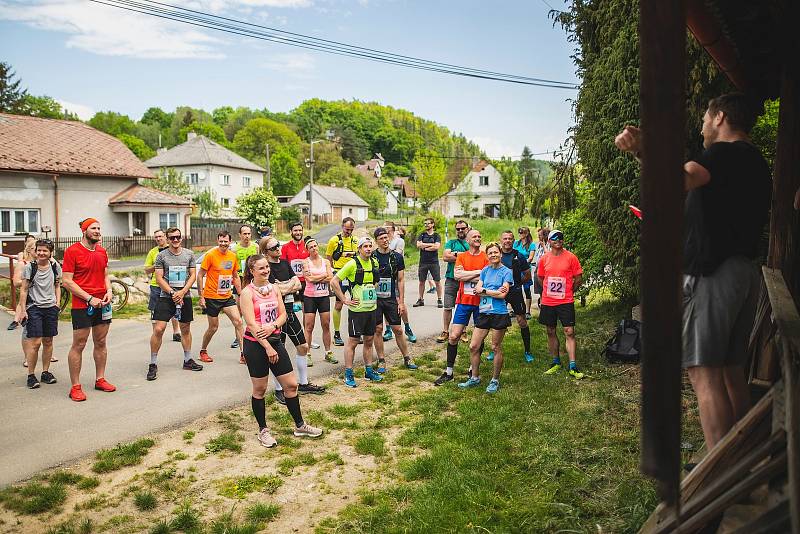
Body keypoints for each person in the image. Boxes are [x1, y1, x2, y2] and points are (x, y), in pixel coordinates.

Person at [615, 93, 772, 448]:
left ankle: (719, 473)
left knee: (703, 375)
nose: (702, 127)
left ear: (719, 117)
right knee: (732, 373)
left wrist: (644, 150)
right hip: (744, 275)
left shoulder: (722, 154)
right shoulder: (757, 163)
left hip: (712, 276)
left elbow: (680, 179)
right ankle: (743, 459)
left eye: (704, 119)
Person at [239, 254, 323, 448]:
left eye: (267, 267)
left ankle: (300, 426)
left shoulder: (274, 288)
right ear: (252, 271)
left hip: (275, 341)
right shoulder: (247, 293)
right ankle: (263, 430)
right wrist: (267, 347)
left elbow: (284, 313)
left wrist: (273, 326)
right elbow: (251, 325)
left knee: (291, 385)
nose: (266, 270)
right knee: (259, 390)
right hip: (256, 345)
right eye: (261, 268)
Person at [261, 236, 325, 403]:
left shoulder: (284, 263)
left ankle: (303, 383)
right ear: (266, 251)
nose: (277, 248)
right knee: (277, 354)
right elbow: (275, 291)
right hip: (276, 315)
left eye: (278, 245)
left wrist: (284, 287)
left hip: (290, 312)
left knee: (303, 346)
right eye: (274, 247)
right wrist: (286, 287)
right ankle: (279, 389)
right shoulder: (267, 268)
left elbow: (297, 284)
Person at [61, 218, 116, 402]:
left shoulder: (101, 251)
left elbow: (105, 275)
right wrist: (89, 298)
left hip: (103, 304)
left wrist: (108, 291)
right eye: (93, 228)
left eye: (99, 228)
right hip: (82, 305)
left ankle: (100, 379)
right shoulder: (72, 251)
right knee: (79, 344)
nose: (97, 231)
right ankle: (75, 387)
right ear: (84, 231)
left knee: (101, 342)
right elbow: (67, 281)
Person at [434, 229, 488, 386]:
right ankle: (449, 372)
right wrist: (478, 273)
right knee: (453, 336)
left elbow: (486, 277)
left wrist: (468, 274)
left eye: (479, 236)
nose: (477, 238)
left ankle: (473, 368)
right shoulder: (462, 256)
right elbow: (457, 276)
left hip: (481, 303)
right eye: (474, 236)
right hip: (464, 302)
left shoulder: (485, 257)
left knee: (478, 339)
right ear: (468, 240)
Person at [330, 236, 384, 388]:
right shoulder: (352, 263)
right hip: (357, 311)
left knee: (368, 340)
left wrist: (372, 288)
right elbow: (334, 281)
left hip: (371, 309)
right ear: (359, 249)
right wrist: (344, 299)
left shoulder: (374, 262)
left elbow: (377, 280)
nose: (368, 248)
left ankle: (368, 371)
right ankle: (348, 374)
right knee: (353, 342)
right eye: (365, 246)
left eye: (370, 246)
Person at [459, 242, 513, 393]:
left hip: (499, 313)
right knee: (474, 346)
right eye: (490, 253)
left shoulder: (506, 272)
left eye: (496, 252)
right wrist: (492, 291)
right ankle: (475, 378)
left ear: (500, 254)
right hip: (484, 312)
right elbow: (477, 290)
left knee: (495, 347)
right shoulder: (485, 271)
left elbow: (503, 294)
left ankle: (495, 380)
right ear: (487, 255)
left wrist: (485, 290)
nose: (493, 255)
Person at [148, 228, 199, 380]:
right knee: (159, 329)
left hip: (185, 296)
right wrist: (172, 293)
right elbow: (159, 278)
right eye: (172, 238)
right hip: (166, 296)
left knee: (185, 328)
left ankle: (188, 359)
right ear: (168, 239)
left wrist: (182, 292)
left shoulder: (189, 254)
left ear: (181, 238)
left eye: (178, 237)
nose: (175, 240)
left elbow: (193, 275)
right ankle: (153, 363)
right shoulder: (161, 256)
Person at [536, 230, 584, 379]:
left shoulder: (571, 257)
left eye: (561, 237)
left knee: (569, 331)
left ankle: (573, 365)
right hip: (549, 301)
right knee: (550, 330)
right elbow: (540, 277)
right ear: (549, 241)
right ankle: (555, 362)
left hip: (566, 301)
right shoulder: (544, 259)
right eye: (554, 238)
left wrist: (570, 290)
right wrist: (547, 292)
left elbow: (578, 278)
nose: (558, 240)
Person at [16, 239, 61, 389]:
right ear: (35, 251)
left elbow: (57, 285)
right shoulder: (30, 267)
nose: (41, 253)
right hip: (34, 308)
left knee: (48, 341)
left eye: (45, 251)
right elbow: (24, 289)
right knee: (35, 343)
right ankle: (31, 375)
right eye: (39, 250)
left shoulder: (55, 266)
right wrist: (23, 310)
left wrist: (57, 304)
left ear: (50, 253)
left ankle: (46, 372)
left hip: (50, 308)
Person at [371, 227, 417, 373]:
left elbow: (401, 280)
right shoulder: (372, 257)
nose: (385, 240)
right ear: (376, 241)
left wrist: (401, 302)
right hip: (376, 299)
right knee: (378, 329)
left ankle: (407, 357)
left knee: (397, 329)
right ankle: (381, 360)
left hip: (391, 298)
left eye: (386, 237)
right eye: (381, 238)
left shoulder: (396, 257)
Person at [197, 230, 244, 364]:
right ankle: (203, 351)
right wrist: (201, 296)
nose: (223, 244)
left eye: (226, 241)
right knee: (213, 327)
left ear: (230, 242)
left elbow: (235, 276)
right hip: (211, 296)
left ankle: (243, 354)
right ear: (218, 241)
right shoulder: (210, 255)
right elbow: (200, 275)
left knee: (239, 322)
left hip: (227, 296)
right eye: (221, 241)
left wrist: (240, 293)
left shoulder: (232, 256)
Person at [488, 230, 534, 364]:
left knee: (522, 321)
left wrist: (516, 284)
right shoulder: (496, 255)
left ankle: (527, 351)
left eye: (510, 238)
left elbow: (527, 275)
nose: (507, 241)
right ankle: (494, 349)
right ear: (500, 240)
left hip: (515, 293)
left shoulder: (518, 256)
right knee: (497, 321)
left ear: (514, 241)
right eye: (505, 238)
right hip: (499, 293)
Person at [302, 237, 338, 365]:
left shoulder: (325, 262)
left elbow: (331, 277)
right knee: (309, 326)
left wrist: (317, 277)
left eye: (315, 246)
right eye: (311, 247)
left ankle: (328, 352)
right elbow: (309, 279)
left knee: (326, 325)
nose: (314, 248)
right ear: (307, 250)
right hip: (310, 297)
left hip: (323, 296)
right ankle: (307, 354)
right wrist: (323, 276)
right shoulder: (305, 262)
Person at [326, 217, 358, 347]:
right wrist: (333, 273)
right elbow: (328, 258)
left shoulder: (355, 240)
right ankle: (337, 334)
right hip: (339, 273)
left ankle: (357, 331)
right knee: (339, 305)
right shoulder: (334, 240)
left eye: (351, 229)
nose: (349, 232)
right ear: (342, 227)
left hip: (353, 274)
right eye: (347, 229)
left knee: (356, 302)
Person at [144, 229, 181, 343]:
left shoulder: (173, 249)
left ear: (165, 237)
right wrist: (157, 264)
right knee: (155, 309)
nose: (159, 239)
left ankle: (176, 332)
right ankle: (156, 333)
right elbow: (147, 270)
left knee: (174, 308)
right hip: (156, 285)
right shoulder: (153, 252)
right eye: (156, 237)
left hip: (171, 283)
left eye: (160, 236)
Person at [383, 221, 417, 344]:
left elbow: (397, 254)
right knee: (385, 301)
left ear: (391, 228)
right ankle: (388, 330)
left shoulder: (399, 241)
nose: (384, 229)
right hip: (385, 276)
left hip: (396, 274)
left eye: (385, 227)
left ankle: (407, 327)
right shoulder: (382, 241)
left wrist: (385, 248)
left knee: (399, 302)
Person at [437, 220, 470, 343]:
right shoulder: (451, 242)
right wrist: (463, 255)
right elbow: (445, 257)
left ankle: (463, 331)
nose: (460, 231)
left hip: (465, 280)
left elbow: (473, 256)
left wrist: (455, 255)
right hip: (451, 279)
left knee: (464, 306)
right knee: (447, 306)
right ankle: (445, 331)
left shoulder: (471, 243)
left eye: (463, 228)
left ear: (467, 229)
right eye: (458, 229)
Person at [280, 222, 311, 351]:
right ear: (291, 232)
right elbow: (282, 264)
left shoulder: (307, 246)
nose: (298, 233)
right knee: (288, 311)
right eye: (295, 230)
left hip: (305, 282)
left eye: (300, 230)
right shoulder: (286, 247)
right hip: (291, 284)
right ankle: (283, 339)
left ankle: (304, 338)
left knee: (306, 312)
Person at [229, 224, 259, 350]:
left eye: (249, 234)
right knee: (239, 310)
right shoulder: (234, 250)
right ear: (240, 235)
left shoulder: (255, 247)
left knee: (255, 307)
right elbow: (232, 268)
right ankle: (238, 337)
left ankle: (255, 333)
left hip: (253, 279)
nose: (247, 236)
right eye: (244, 234)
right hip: (240, 280)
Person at [413, 217, 443, 308]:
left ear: (433, 224)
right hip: (423, 262)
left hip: (434, 262)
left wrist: (424, 247)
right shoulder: (421, 235)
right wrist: (430, 245)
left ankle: (439, 299)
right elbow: (418, 245)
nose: (426, 225)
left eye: (428, 223)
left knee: (437, 281)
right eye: (425, 223)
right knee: (421, 281)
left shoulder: (436, 235)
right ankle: (420, 299)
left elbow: (437, 247)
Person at [9, 234, 36, 332]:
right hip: (27, 290)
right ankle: (16, 320)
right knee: (22, 301)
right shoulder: (22, 258)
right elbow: (16, 281)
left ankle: (17, 320)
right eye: (29, 241)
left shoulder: (43, 262)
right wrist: (30, 280)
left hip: (40, 299)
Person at [514, 226, 537, 319]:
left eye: (522, 232)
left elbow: (531, 257)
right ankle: (515, 309)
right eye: (519, 232)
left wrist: (522, 263)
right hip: (516, 269)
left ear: (527, 233)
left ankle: (527, 311)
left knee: (527, 289)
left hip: (525, 269)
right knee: (516, 289)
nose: (520, 234)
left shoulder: (531, 244)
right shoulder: (516, 243)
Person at [532, 227, 550, 308]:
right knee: (540, 290)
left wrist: (543, 246)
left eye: (540, 235)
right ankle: (542, 307)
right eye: (538, 235)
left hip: (546, 270)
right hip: (538, 269)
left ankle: (546, 306)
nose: (539, 237)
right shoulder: (539, 244)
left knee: (546, 289)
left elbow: (549, 255)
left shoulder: (549, 244)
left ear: (545, 235)